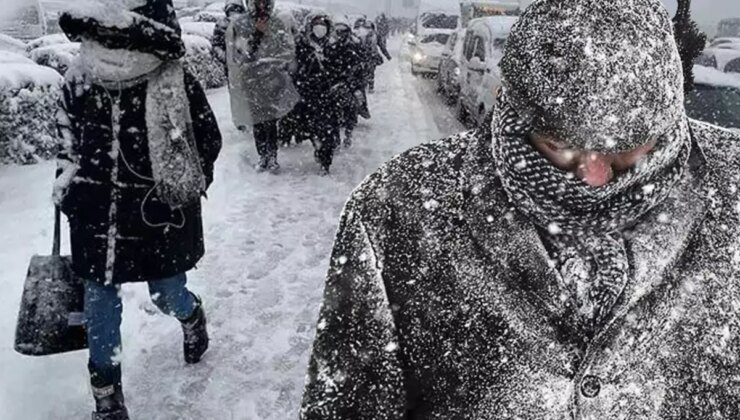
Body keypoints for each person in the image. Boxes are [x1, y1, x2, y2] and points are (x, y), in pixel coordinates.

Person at [300, 0, 740, 418]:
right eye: (559, 145)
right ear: (515, 112)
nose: (594, 177)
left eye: (625, 151)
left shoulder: (732, 190)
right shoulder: (398, 206)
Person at [53, 1, 222, 418]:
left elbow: (207, 139)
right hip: (96, 214)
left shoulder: (173, 78)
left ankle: (191, 315)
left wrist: (181, 184)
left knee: (167, 294)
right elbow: (65, 143)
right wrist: (70, 188)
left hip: (157, 214)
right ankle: (106, 396)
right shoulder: (78, 77)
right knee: (99, 304)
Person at [226, 0, 300, 173]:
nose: (260, 6)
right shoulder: (242, 23)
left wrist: (276, 63)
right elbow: (240, 54)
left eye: (264, 2)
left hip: (273, 80)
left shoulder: (276, 22)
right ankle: (262, 156)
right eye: (256, 2)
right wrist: (257, 35)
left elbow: (286, 49)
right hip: (251, 80)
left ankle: (272, 156)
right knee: (257, 120)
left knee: (271, 120)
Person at [294, 13, 340, 173]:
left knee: (327, 130)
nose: (319, 28)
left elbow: (339, 69)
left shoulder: (334, 45)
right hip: (308, 93)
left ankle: (325, 160)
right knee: (311, 128)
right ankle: (317, 147)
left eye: (323, 25)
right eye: (316, 24)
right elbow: (296, 68)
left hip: (328, 95)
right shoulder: (302, 44)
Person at [327, 16, 365, 148]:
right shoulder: (331, 47)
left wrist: (354, 85)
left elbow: (359, 68)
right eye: (338, 31)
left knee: (350, 111)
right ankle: (336, 138)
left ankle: (348, 135)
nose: (340, 34)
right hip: (335, 85)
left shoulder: (354, 46)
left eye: (342, 31)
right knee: (333, 114)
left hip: (350, 85)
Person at [355, 17, 391, 94]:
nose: (369, 29)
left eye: (370, 28)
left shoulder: (376, 36)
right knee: (363, 71)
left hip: (372, 56)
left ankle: (371, 86)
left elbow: (381, 46)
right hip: (363, 56)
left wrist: (387, 55)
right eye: (367, 28)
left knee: (371, 71)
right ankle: (364, 85)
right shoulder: (361, 36)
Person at [212, 0, 247, 75]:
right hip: (237, 65)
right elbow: (216, 46)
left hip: (243, 65)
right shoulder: (222, 24)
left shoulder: (247, 24)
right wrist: (227, 59)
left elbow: (216, 45)